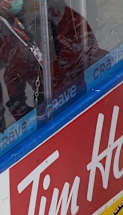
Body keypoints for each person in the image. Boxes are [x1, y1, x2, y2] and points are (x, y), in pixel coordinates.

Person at [0, 0, 106, 130]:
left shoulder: (59, 14)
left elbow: (92, 52)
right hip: (53, 110)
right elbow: (12, 81)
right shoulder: (8, 35)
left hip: (81, 97)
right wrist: (31, 120)